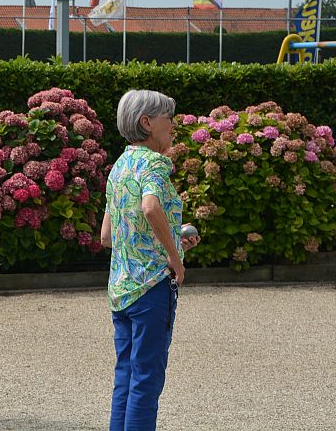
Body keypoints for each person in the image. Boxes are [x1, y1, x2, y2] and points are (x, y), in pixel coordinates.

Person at [100, 89, 200, 431]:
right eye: (167, 119)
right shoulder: (154, 163)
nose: (172, 125)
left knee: (126, 375)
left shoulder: (119, 166)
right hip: (151, 288)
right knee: (147, 378)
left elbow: (108, 236)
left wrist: (174, 237)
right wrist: (175, 258)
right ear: (146, 122)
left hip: (121, 289)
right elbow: (150, 207)